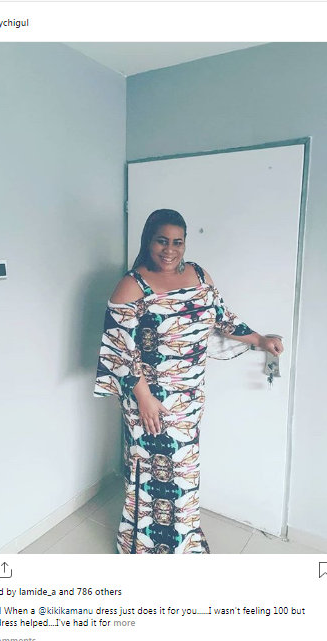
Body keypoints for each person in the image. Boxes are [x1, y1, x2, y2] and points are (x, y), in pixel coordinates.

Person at [94, 209, 283, 554]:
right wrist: (144, 399)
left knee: (184, 474)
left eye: (177, 242)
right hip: (149, 398)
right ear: (148, 241)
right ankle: (142, 547)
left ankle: (182, 542)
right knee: (150, 474)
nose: (169, 250)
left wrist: (259, 339)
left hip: (190, 397)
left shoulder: (199, 275)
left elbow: (222, 318)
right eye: (161, 241)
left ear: (185, 244)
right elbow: (121, 350)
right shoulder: (131, 285)